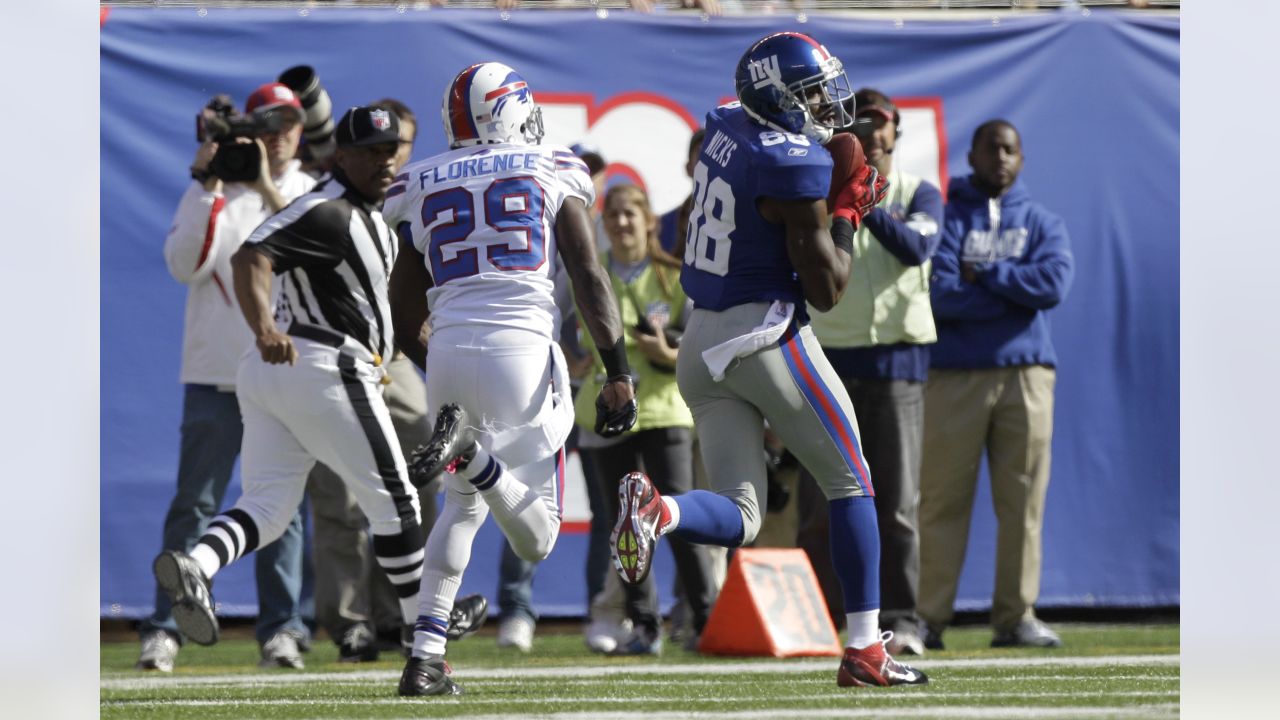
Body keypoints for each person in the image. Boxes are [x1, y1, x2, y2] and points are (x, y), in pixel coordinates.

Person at [608, 32, 927, 688]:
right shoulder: (790, 167)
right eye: (812, 94)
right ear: (778, 96)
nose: (826, 103)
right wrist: (847, 210)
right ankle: (865, 649)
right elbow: (828, 289)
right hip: (764, 332)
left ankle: (659, 512)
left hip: (701, 342)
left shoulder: (727, 121)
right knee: (853, 481)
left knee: (743, 514)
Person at [150, 106, 451, 664]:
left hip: (283, 372)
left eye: (392, 149)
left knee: (267, 507)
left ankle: (199, 565)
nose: (386, 161)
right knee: (399, 504)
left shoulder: (357, 212)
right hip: (323, 363)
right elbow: (250, 258)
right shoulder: (330, 210)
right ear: (341, 155)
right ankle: (424, 643)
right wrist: (263, 326)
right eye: (371, 151)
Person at [385, 61, 636, 697]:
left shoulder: (419, 179)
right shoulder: (552, 165)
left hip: (446, 353)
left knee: (462, 508)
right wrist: (618, 372)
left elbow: (401, 304)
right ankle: (471, 454)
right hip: (521, 348)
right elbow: (586, 272)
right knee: (538, 537)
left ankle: (425, 659)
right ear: (511, 110)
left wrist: (434, 357)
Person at [139, 81, 316, 673]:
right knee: (195, 505)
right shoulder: (213, 190)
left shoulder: (306, 190)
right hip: (216, 375)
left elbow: (308, 261)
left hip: (282, 374)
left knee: (280, 508)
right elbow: (181, 264)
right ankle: (165, 629)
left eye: (289, 123)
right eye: (268, 125)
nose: (279, 135)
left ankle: (282, 630)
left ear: (300, 128)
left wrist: (264, 185)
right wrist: (207, 180)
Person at [798, 88, 944, 657]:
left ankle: (903, 619)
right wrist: (843, 196)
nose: (873, 134)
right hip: (828, 356)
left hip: (895, 361)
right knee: (819, 502)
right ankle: (819, 618)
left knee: (898, 503)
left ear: (895, 135)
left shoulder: (919, 191)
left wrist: (864, 202)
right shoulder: (817, 189)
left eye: (882, 126)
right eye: (863, 125)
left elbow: (915, 248)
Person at [917, 119, 1073, 650]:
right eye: (991, 149)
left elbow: (1053, 284)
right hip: (955, 376)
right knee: (941, 500)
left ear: (1021, 159)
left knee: (1023, 502)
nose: (1001, 158)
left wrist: (987, 275)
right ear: (973, 156)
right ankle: (926, 619)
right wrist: (1012, 293)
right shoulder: (948, 216)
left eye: (1010, 150)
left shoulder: (1044, 222)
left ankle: (1016, 617)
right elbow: (939, 292)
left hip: (1027, 375)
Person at [577, 183, 717, 655]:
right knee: (624, 526)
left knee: (678, 522)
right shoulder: (587, 276)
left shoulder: (673, 277)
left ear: (650, 221)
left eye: (630, 215)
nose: (620, 223)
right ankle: (644, 625)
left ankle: (705, 619)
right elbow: (563, 333)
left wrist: (668, 351)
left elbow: (700, 346)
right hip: (608, 414)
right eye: (612, 215)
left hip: (664, 412)